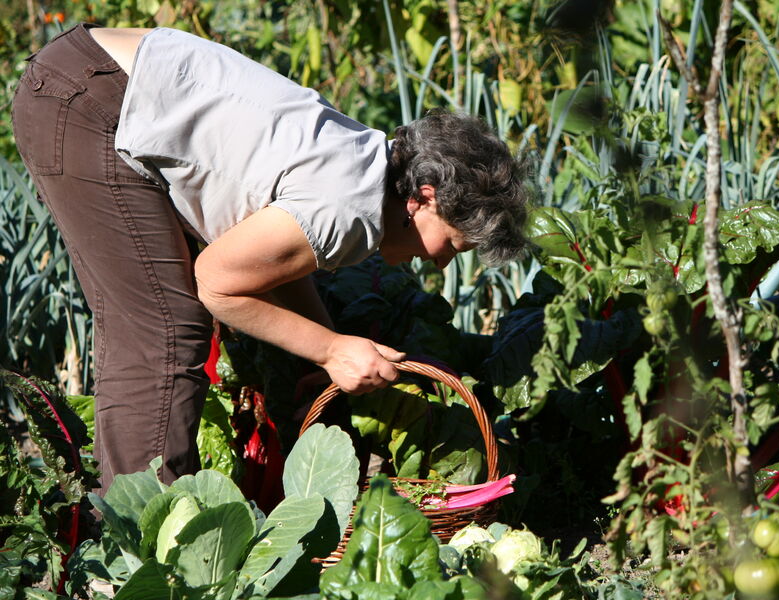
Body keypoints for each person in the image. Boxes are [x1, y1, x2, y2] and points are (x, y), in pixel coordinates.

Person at [11, 23, 528, 493]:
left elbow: (275, 266)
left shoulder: (363, 168)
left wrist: (318, 347)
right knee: (166, 331)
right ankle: (135, 552)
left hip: (89, 78)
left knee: (167, 325)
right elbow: (216, 282)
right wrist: (331, 350)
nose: (440, 264)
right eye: (452, 246)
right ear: (426, 197)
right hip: (88, 102)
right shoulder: (348, 207)